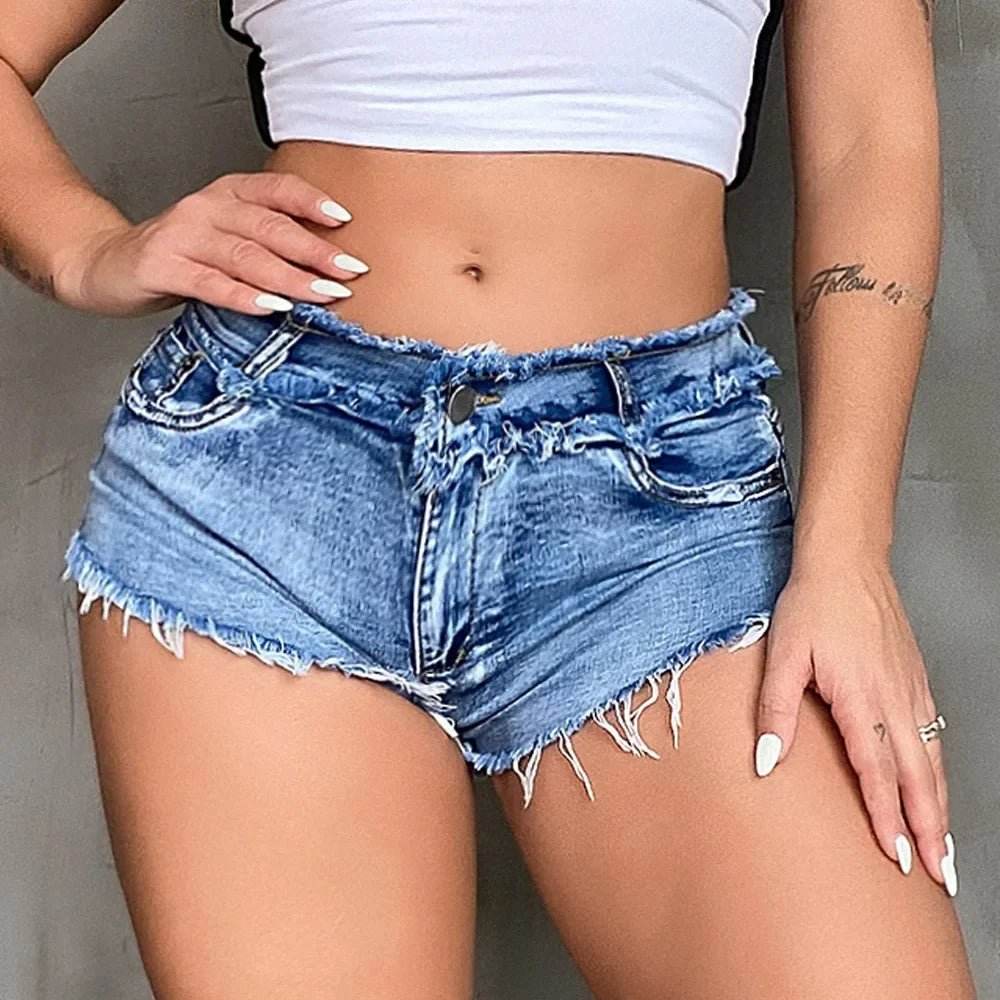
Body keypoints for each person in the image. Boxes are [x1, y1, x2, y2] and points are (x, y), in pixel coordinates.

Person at [1, 1, 977, 997]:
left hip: (664, 501)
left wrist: (847, 554)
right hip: (270, 479)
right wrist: (84, 247)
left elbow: (870, 138)